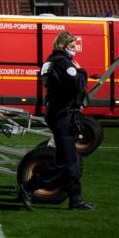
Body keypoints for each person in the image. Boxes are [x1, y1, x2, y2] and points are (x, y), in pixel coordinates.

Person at [18, 31, 95, 211]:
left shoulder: (52, 61)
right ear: (64, 45)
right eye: (73, 46)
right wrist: (81, 70)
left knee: (72, 159)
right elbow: (78, 84)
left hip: (59, 112)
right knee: (65, 160)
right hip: (61, 114)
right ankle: (27, 188)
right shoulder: (62, 62)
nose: (76, 50)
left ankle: (75, 198)